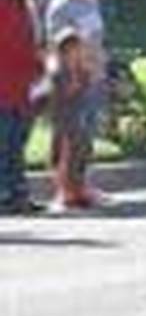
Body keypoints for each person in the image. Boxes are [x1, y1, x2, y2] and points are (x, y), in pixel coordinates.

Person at [0, 0, 44, 215]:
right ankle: (6, 194)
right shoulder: (4, 4)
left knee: (16, 144)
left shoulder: (22, 3)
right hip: (4, 86)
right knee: (5, 144)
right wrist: (37, 60)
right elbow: (13, 44)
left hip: (22, 86)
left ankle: (18, 192)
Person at [48, 27, 102, 210]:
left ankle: (80, 188)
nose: (76, 53)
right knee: (65, 156)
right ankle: (65, 191)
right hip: (64, 120)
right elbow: (58, 97)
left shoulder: (82, 70)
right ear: (62, 51)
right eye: (71, 49)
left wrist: (86, 74)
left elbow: (88, 89)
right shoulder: (57, 73)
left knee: (83, 152)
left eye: (79, 49)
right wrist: (72, 83)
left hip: (80, 119)